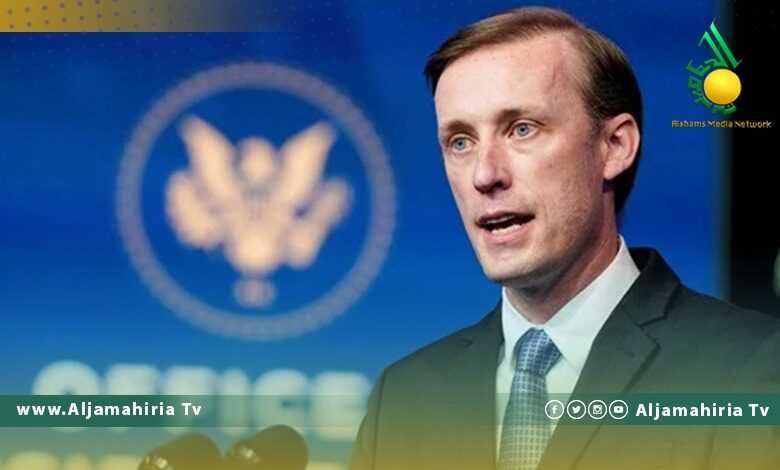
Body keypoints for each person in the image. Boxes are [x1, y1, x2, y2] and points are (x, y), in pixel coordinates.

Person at [350, 6, 780, 470]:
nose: (484, 175)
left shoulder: (749, 369)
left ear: (614, 146)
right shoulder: (403, 400)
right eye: (460, 141)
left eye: (522, 129)